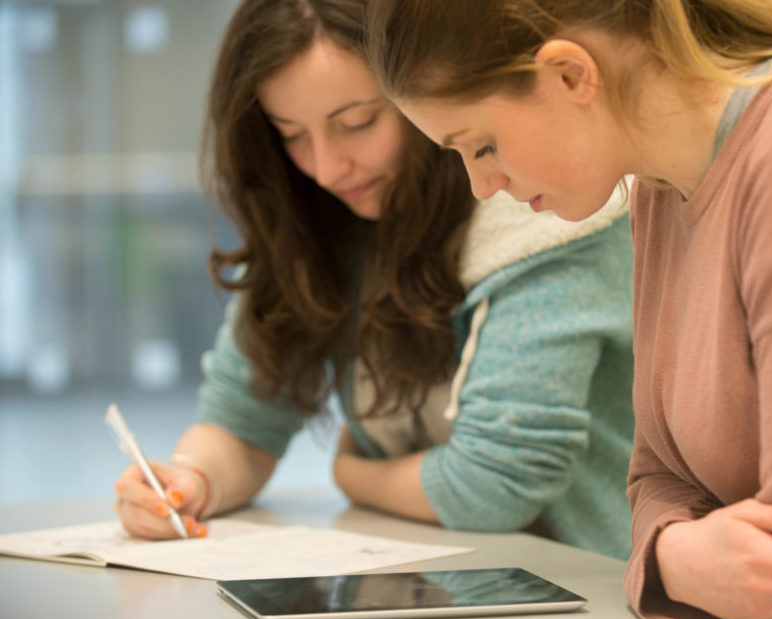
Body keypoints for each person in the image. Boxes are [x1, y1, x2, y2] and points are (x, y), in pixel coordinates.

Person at [364, 0, 772, 619]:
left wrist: (669, 557)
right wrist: (672, 556)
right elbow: (654, 478)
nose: (482, 186)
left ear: (570, 75)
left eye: (482, 146)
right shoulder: (659, 189)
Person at [112, 0, 636, 561]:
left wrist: (351, 474)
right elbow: (241, 422)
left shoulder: (547, 208)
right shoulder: (318, 219)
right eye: (291, 134)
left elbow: (494, 486)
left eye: (356, 123)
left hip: (586, 578)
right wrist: (190, 481)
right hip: (436, 575)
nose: (327, 168)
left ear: (426, 93)